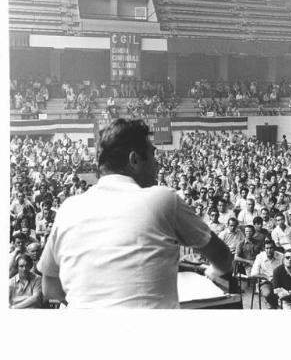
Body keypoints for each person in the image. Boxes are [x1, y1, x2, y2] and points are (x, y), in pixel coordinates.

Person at [37, 119, 232, 309]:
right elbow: (223, 258)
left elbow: (50, 288)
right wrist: (213, 271)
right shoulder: (163, 199)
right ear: (134, 159)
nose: (157, 166)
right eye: (153, 155)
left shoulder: (68, 209)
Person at [250, 239, 283, 309]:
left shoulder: (281, 256)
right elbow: (253, 274)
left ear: (274, 248)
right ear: (264, 249)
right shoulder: (260, 257)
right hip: (265, 282)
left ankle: (275, 304)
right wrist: (266, 277)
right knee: (267, 293)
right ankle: (273, 304)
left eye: (271, 248)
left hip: (279, 281)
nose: (269, 250)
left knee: (284, 293)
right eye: (267, 248)